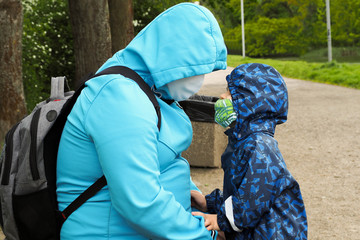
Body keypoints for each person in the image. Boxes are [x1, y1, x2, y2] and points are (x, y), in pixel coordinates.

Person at [56, 3, 227, 240]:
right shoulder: (120, 96)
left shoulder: (151, 88)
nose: (199, 80)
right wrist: (205, 236)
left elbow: (165, 161)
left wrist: (200, 204)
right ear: (170, 58)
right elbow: (140, 202)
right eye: (193, 70)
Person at [192, 63, 308, 239]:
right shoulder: (242, 141)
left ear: (252, 104)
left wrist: (220, 220)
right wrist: (209, 203)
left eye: (231, 93)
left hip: (274, 233)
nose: (222, 96)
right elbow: (242, 191)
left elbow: (255, 197)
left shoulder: (259, 145)